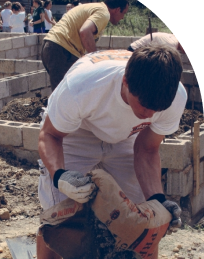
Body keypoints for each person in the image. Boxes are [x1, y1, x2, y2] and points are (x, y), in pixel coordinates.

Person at [37, 45, 187, 259]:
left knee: (142, 221)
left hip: (127, 135)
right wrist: (60, 176)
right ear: (125, 82)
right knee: (59, 218)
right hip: (77, 130)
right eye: (144, 106)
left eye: (157, 110)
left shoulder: (174, 98)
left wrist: (158, 202)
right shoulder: (83, 86)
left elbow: (147, 148)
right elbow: (50, 135)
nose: (149, 115)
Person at [42, 0, 129, 91]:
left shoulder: (95, 7)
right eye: (124, 13)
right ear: (117, 10)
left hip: (54, 46)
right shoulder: (104, 13)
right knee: (64, 95)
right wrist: (96, 60)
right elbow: (85, 31)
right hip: (62, 50)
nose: (123, 17)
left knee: (68, 92)